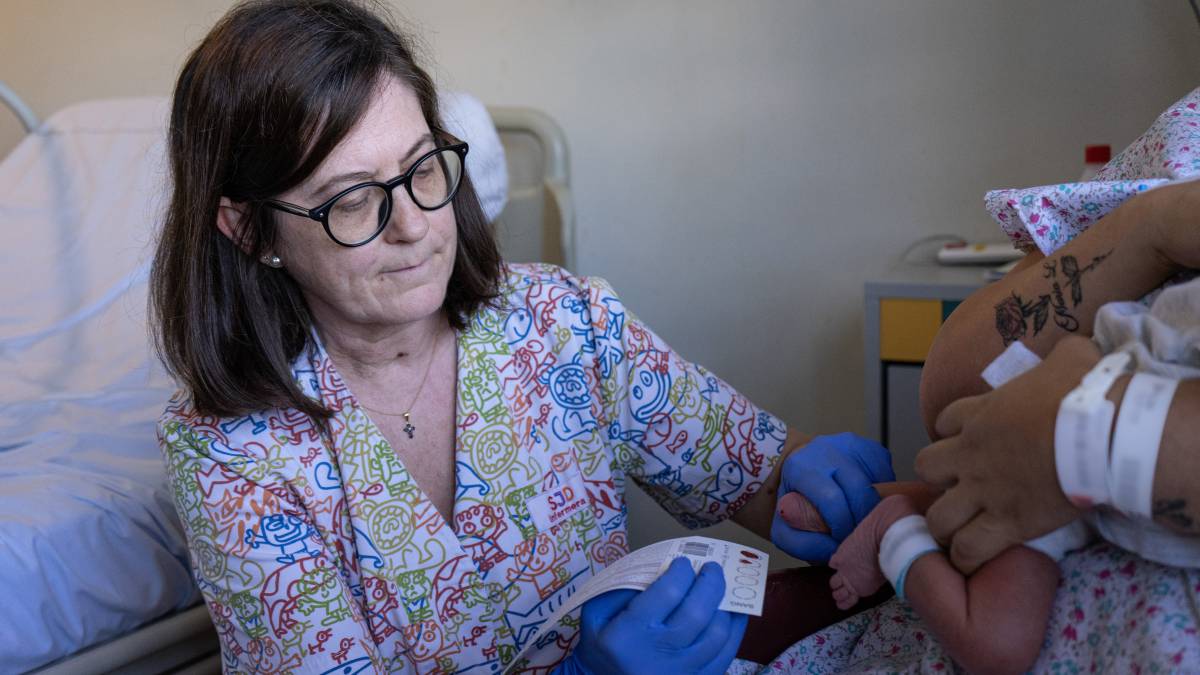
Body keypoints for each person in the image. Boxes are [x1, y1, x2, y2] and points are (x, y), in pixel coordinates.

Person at [149, 1, 893, 672]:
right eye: (350, 200)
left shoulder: (565, 324)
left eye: (422, 168)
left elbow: (761, 475)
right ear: (249, 230)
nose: (414, 225)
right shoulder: (227, 454)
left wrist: (823, 491)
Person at [757, 88, 1200, 674]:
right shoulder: (1185, 144)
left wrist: (1086, 439)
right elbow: (969, 393)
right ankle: (903, 519)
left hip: (1084, 539)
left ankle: (905, 517)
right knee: (995, 633)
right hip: (1038, 531)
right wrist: (1153, 227)